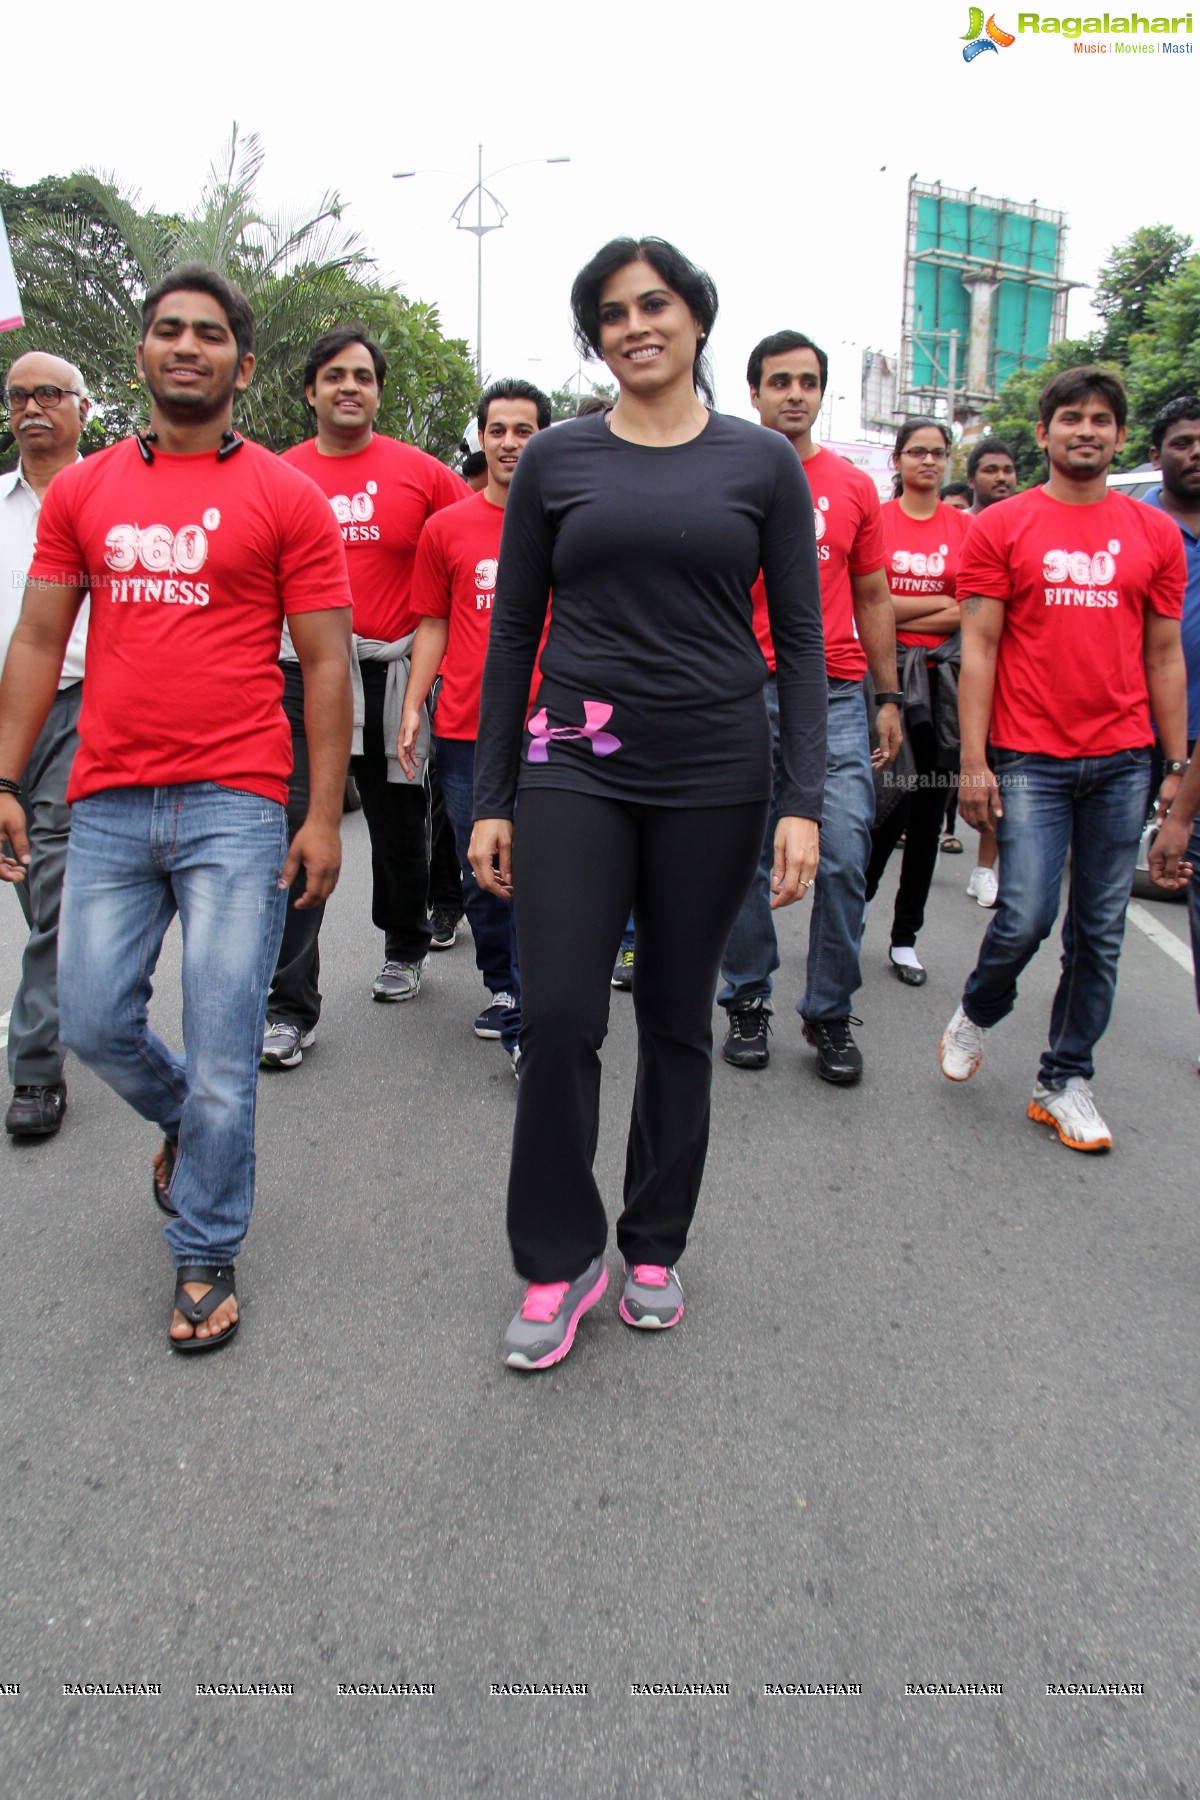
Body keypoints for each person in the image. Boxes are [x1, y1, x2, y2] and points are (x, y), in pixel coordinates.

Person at [469, 237, 827, 1371]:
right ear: (595, 337)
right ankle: (558, 1258)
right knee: (563, 1008)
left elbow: (805, 639)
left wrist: (801, 796)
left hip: (716, 768)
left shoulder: (761, 464)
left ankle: (655, 1240)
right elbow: (514, 629)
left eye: (655, 304)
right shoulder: (557, 461)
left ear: (697, 319)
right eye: (611, 313)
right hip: (576, 761)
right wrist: (493, 794)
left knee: (677, 1015)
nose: (635, 325)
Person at [0, 263, 354, 1347]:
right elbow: (38, 640)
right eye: (167, 331)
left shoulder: (286, 495)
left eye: (208, 333)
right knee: (97, 1018)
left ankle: (204, 1250)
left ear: (242, 367)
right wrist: (7, 778)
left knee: (222, 1040)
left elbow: (328, 663)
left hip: (236, 804)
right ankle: (183, 1127)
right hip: (104, 797)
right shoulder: (84, 491)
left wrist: (325, 815)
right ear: (143, 356)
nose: (186, 346)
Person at [940, 366, 1188, 1150]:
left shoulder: (1155, 534)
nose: (1087, 430)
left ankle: (1065, 1077)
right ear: (1045, 432)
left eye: (1102, 419)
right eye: (1072, 418)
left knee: (1101, 929)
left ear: (1120, 435)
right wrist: (972, 762)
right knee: (1024, 916)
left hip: (1123, 760)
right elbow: (977, 646)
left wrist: (1176, 767)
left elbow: (1165, 655)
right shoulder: (1003, 525)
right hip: (1028, 755)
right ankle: (980, 1007)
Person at [260, 326, 466, 1070]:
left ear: (378, 391)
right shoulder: (279, 474)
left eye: (363, 377)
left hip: (393, 674)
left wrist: (441, 667)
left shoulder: (424, 474)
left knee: (398, 820)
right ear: (310, 390)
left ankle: (405, 941)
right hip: (296, 673)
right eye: (334, 376)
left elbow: (463, 555)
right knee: (294, 829)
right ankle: (289, 1007)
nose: (350, 387)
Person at [718, 330, 901, 1083]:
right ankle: (748, 998)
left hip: (833, 693)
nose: (795, 393)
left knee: (847, 853)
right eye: (779, 381)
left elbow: (873, 595)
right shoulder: (722, 473)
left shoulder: (855, 487)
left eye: (808, 382)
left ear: (822, 394)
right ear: (753, 393)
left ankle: (828, 1010)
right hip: (735, 692)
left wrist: (887, 694)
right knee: (742, 860)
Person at [399, 377, 552, 1069]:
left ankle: (534, 1006)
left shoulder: (567, 520)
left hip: (560, 732)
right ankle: (506, 986)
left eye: (525, 430)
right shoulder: (446, 528)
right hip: (465, 731)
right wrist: (412, 707)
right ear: (481, 436)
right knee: (481, 871)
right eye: (499, 429)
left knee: (545, 870)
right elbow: (432, 624)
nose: (511, 442)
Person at [0, 351, 90, 1139]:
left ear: (83, 410)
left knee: (53, 889)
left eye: (50, 394)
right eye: (20, 395)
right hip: (2, 718)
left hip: (77, 707)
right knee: (29, 882)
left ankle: (34, 1068)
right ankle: (70, 995)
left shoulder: (108, 499)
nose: (33, 407)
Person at [864, 418, 972, 984]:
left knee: (928, 812)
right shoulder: (877, 521)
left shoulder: (966, 528)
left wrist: (896, 604)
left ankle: (905, 937)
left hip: (945, 684)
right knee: (884, 806)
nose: (928, 462)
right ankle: (852, 911)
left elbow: (971, 608)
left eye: (938, 453)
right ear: (898, 460)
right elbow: (864, 602)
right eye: (916, 452)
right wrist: (938, 600)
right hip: (882, 680)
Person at [1143, 395, 1200, 1062]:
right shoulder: (1134, 526)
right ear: (1156, 453)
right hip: (1131, 734)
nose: (1196, 452)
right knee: (1049, 911)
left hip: (1186, 745)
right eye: (1182, 441)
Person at [966, 437, 1018, 514]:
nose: (1001, 478)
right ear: (971, 481)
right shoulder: (956, 524)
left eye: (1008, 471)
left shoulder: (1028, 522)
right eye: (990, 471)